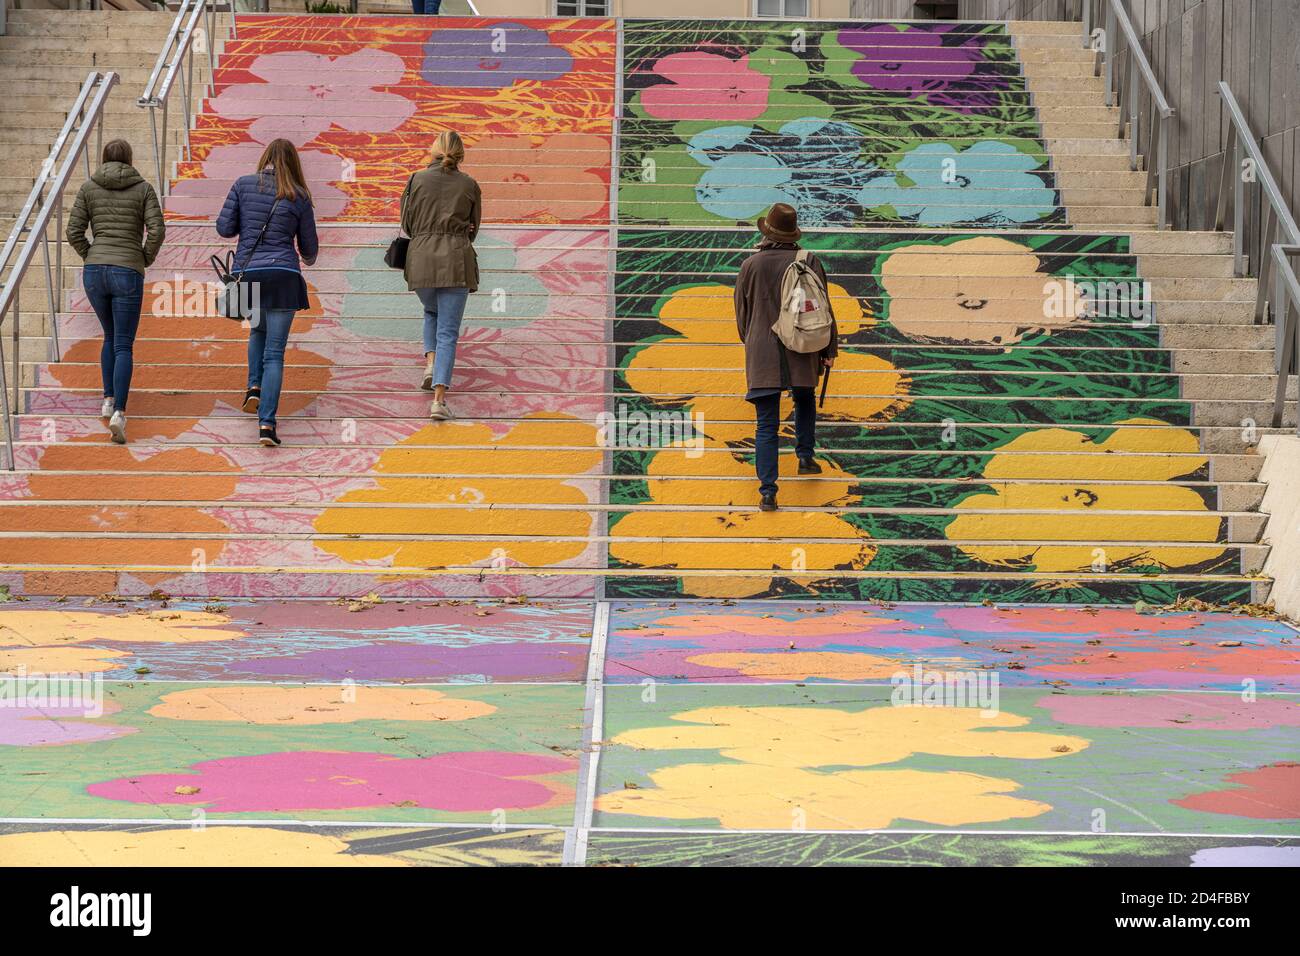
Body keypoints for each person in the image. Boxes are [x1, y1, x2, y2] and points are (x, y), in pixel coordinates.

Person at [733, 202, 837, 512]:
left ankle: (768, 492)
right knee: (804, 399)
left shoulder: (750, 266)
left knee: (766, 424)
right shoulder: (809, 261)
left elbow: (742, 316)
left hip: (762, 351)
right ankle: (805, 458)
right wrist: (828, 350)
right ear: (793, 234)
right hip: (802, 346)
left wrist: (753, 341)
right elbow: (825, 308)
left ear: (767, 232)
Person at [216, 138, 318, 447]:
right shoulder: (299, 195)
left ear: (265, 158)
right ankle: (267, 425)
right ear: (294, 163)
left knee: (256, 333)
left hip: (251, 275)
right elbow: (310, 248)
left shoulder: (243, 184)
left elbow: (224, 228)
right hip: (285, 275)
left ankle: (253, 387)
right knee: (275, 353)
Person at [65, 139, 165, 445]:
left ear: (104, 158)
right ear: (130, 159)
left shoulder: (88, 187)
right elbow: (157, 229)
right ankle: (120, 413)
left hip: (95, 272)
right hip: (127, 271)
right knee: (123, 344)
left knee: (109, 336)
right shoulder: (144, 188)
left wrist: (91, 255)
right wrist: (143, 256)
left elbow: (73, 231)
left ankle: (107, 399)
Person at [400, 130, 481, 421]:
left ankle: (431, 364)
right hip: (456, 261)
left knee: (430, 311)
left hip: (420, 260)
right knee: (447, 331)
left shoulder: (416, 180)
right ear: (460, 154)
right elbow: (475, 227)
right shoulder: (469, 185)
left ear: (434, 149)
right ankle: (439, 400)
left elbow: (407, 224)